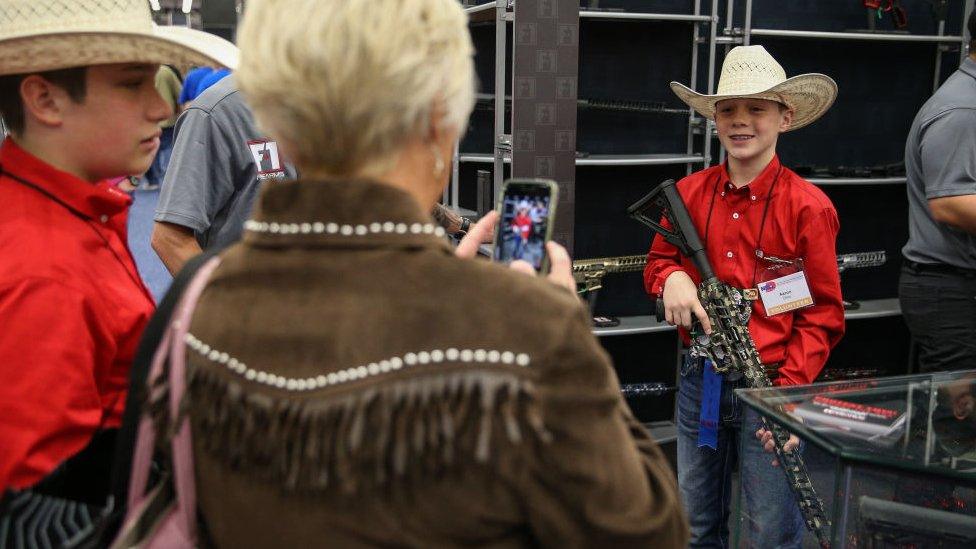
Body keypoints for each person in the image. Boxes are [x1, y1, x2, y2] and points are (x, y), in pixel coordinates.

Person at [146, 0, 688, 546]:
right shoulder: (523, 332)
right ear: (438, 119)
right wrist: (560, 331)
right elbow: (644, 532)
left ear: (278, 120)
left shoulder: (191, 318)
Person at [0, 0, 236, 543]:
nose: (160, 107)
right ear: (45, 99)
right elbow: (37, 518)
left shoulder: (67, 222)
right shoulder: (42, 270)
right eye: (133, 85)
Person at [644, 45, 845, 547]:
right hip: (702, 381)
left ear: (785, 115)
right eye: (728, 109)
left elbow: (822, 315)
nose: (741, 121)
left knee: (771, 530)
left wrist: (788, 397)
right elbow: (657, 262)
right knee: (695, 524)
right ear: (714, 118)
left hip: (773, 387)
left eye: (756, 108)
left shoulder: (808, 208)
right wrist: (671, 278)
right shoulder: (687, 194)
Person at [899, 11, 976, 374]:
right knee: (957, 416)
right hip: (951, 289)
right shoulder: (965, 108)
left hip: (954, 284)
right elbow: (951, 204)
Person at [143, 64, 182, 189]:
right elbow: (179, 93)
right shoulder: (166, 72)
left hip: (148, 118)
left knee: (151, 149)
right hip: (168, 118)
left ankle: (153, 180)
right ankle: (172, 178)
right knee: (171, 147)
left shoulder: (142, 71)